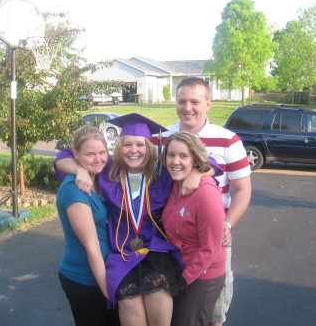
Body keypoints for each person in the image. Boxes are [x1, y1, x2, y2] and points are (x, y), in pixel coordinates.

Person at [55, 113, 214, 326]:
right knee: (129, 303)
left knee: (158, 294)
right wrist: (79, 169)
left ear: (150, 147)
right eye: (127, 144)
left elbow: (209, 162)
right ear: (119, 146)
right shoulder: (108, 170)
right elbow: (63, 156)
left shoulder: (163, 173)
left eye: (140, 144)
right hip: (121, 251)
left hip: (156, 249)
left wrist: (197, 174)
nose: (133, 150)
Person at [153, 77, 252, 326]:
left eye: (195, 102)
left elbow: (242, 190)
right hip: (174, 235)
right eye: (182, 101)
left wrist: (227, 225)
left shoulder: (229, 140)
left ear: (208, 104)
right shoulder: (162, 138)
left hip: (213, 233)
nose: (188, 108)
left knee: (213, 312)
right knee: (182, 310)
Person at [55, 125, 119, 326]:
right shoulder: (75, 192)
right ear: (76, 155)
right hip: (84, 278)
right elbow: (91, 247)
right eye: (90, 154)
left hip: (102, 272)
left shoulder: (98, 179)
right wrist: (108, 293)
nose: (98, 159)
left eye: (102, 152)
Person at [161, 131, 226, 326]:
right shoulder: (175, 185)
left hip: (202, 275)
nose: (175, 161)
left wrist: (182, 280)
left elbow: (210, 249)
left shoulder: (206, 194)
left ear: (195, 160)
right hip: (182, 268)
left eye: (183, 156)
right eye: (171, 155)